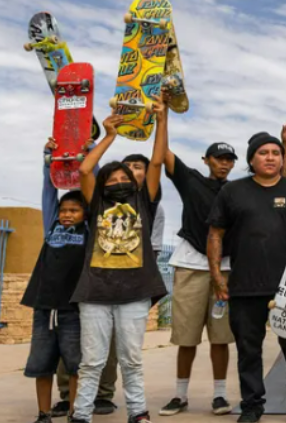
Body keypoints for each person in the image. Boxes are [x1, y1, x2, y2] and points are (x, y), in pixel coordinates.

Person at [207, 130, 286, 423]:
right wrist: (216, 276)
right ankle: (252, 406)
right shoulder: (232, 192)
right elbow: (215, 233)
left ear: (282, 158)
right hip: (245, 285)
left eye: (276, 153)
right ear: (252, 159)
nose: (270, 157)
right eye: (263, 153)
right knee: (249, 350)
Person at [70, 105, 170, 423]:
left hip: (134, 292)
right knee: (92, 361)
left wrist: (162, 120)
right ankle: (81, 414)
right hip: (96, 291)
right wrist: (110, 136)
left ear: (133, 181)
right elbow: (85, 171)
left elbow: (156, 162)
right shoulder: (96, 202)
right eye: (111, 178)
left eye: (122, 177)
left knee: (131, 358)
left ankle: (138, 412)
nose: (117, 181)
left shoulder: (144, 201)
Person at [157, 107, 241, 417]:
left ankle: (220, 396)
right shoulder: (191, 181)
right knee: (187, 337)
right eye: (219, 158)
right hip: (191, 265)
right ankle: (180, 395)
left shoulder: (239, 190)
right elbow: (163, 153)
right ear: (206, 160)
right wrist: (162, 114)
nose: (224, 163)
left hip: (227, 270)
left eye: (229, 159)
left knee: (221, 338)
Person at [25, 140, 90, 423]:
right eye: (64, 210)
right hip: (43, 307)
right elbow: (49, 191)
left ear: (85, 214)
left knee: (75, 365)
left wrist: (88, 155)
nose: (66, 215)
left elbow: (92, 189)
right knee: (41, 365)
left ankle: (74, 412)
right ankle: (43, 413)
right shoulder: (51, 223)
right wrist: (48, 160)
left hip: (73, 310)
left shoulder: (89, 231)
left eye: (74, 211)